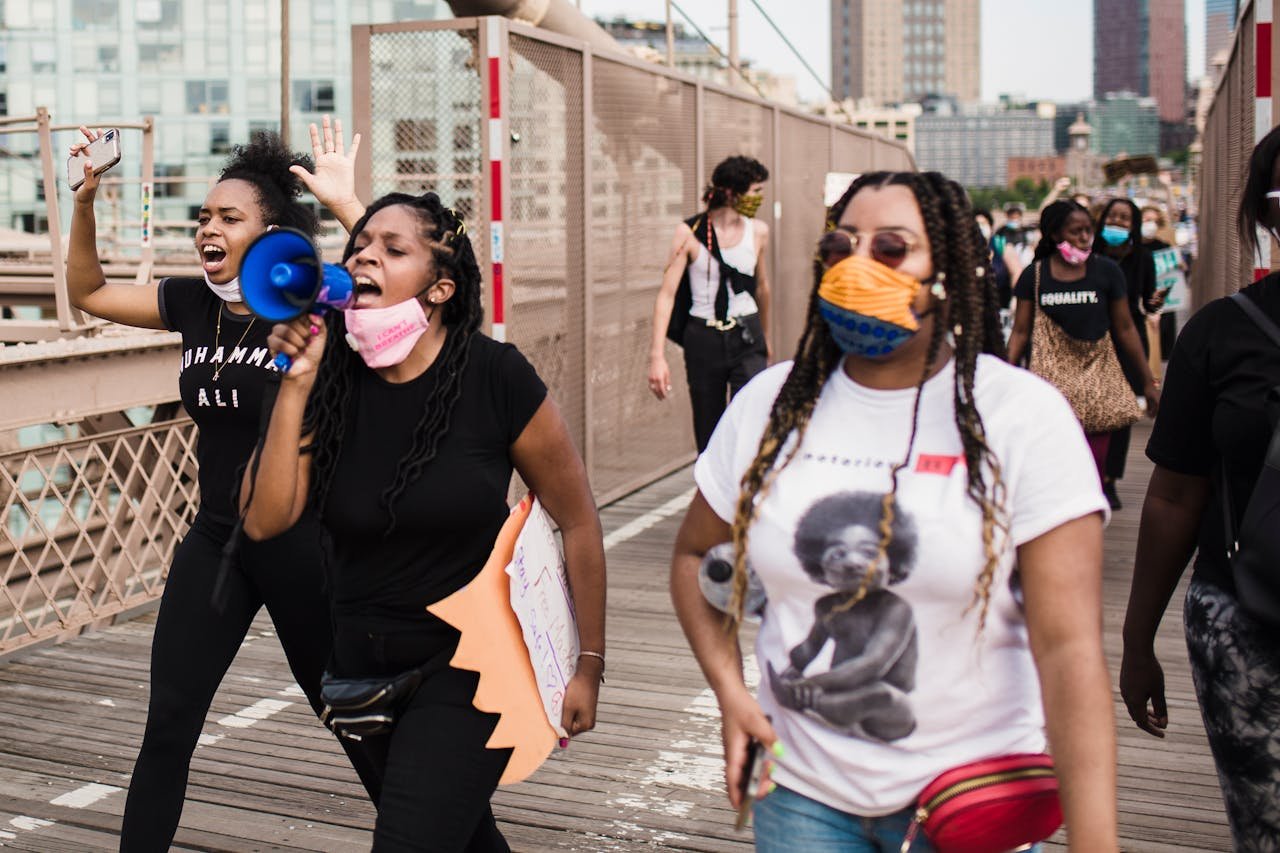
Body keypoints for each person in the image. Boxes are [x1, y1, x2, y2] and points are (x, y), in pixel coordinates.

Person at [669, 171, 1119, 852]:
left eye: (891, 249)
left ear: (954, 272)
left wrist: (1096, 842)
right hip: (799, 796)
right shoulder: (768, 403)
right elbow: (694, 554)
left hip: (965, 805)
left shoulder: (1022, 419)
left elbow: (1070, 650)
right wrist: (732, 692)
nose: (857, 266)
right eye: (841, 245)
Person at [240, 189, 607, 850]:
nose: (364, 255)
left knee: (412, 836)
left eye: (391, 248)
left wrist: (589, 663)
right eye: (358, 246)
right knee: (461, 836)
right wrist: (293, 387)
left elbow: (577, 518)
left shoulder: (495, 375)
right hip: (362, 673)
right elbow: (264, 521)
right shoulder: (325, 375)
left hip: (474, 664)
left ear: (440, 288)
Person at [65, 122, 381, 850]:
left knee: (349, 715)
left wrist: (345, 202)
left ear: (272, 232)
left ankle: (441, 833)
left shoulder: (318, 302)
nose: (207, 225)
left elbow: (409, 290)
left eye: (228, 217)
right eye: (204, 215)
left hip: (306, 545)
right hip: (217, 540)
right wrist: (86, 198)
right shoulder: (190, 304)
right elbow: (88, 292)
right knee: (169, 720)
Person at [1120, 125, 1280, 848]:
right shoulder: (1219, 334)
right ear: (1267, 215)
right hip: (1246, 617)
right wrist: (1135, 638)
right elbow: (1174, 494)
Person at [1007, 200, 1161, 481]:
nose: (1084, 237)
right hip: (1051, 385)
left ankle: (1101, 493)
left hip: (1097, 380)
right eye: (1075, 231)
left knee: (1095, 463)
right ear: (1055, 235)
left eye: (1088, 230)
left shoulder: (1106, 272)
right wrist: (1006, 375)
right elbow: (1020, 331)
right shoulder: (1035, 276)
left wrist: (1148, 382)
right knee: (1054, 461)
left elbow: (1125, 327)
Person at [648, 155, 772, 452]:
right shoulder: (688, 233)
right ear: (731, 192)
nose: (759, 198)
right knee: (709, 425)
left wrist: (765, 338)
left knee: (750, 419)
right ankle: (712, 492)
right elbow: (666, 294)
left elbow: (762, 287)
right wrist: (657, 356)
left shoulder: (758, 231)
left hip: (747, 334)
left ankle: (746, 492)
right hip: (703, 337)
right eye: (755, 191)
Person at [1093, 198, 1161, 510]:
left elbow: (1147, 302)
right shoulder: (1088, 253)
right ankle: (1090, 473)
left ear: (1132, 225)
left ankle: (1110, 481)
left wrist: (1155, 303)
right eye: (1113, 217)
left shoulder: (1143, 258)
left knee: (1120, 413)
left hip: (1128, 338)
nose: (1118, 223)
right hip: (1092, 337)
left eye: (1124, 219)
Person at [975, 208, 1022, 310]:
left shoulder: (1000, 245)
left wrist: (1015, 296)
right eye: (976, 224)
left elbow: (1016, 272)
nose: (980, 228)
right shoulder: (967, 249)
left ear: (990, 227)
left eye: (983, 223)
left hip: (1001, 305)